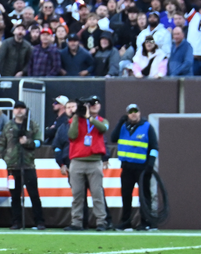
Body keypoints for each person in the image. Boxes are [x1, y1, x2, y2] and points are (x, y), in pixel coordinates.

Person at [0, 101, 45, 230]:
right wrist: (7, 158)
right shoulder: (8, 126)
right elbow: (2, 144)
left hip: (28, 165)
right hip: (13, 167)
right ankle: (16, 222)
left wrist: (28, 142)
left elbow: (39, 142)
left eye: (22, 108)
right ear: (13, 110)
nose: (19, 111)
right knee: (15, 196)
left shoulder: (32, 125)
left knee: (34, 194)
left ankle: (39, 221)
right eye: (17, 108)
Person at [110, 104, 159, 231]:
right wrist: (119, 123)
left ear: (139, 112)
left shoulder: (147, 127)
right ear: (127, 114)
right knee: (126, 195)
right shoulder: (123, 126)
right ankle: (126, 222)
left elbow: (154, 147)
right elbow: (113, 138)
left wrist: (150, 163)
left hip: (142, 168)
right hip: (126, 167)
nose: (133, 114)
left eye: (135, 111)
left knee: (144, 196)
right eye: (130, 112)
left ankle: (146, 222)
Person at [65, 96, 109, 232]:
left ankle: (101, 221)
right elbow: (72, 135)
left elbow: (103, 129)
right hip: (77, 161)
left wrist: (90, 117)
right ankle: (76, 222)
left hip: (94, 161)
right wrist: (78, 116)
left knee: (97, 193)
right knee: (77, 194)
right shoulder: (75, 120)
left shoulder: (101, 121)